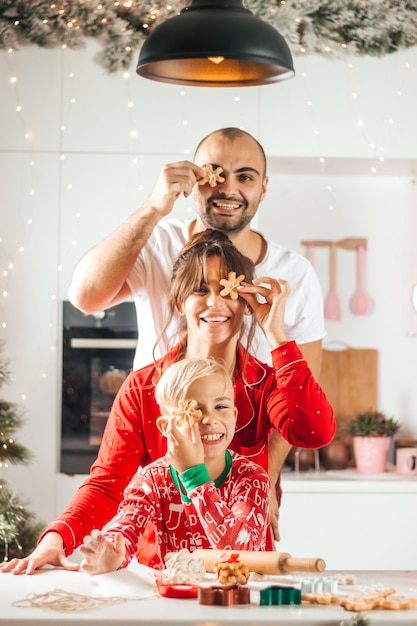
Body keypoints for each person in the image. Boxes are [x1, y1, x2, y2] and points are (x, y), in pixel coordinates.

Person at [0, 230, 335, 575]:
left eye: (228, 290)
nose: (215, 303)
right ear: (179, 302)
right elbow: (107, 484)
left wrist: (277, 335)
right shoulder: (144, 388)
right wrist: (57, 539)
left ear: (245, 302)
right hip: (161, 578)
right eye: (200, 289)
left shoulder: (264, 385)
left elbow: (315, 432)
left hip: (242, 576)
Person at [67, 127, 324, 377]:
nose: (228, 189)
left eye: (245, 177)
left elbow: (305, 393)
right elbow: (86, 298)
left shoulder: (296, 274)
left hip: (252, 420)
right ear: (194, 177)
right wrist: (153, 208)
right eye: (215, 174)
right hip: (156, 416)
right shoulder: (159, 243)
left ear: (263, 188)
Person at [79, 357, 271, 575]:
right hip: (170, 601)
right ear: (165, 426)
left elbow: (240, 552)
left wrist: (195, 477)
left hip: (232, 602)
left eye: (221, 406)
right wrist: (112, 554)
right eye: (193, 409)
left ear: (234, 416)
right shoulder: (151, 480)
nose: (210, 419)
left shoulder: (251, 478)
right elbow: (127, 527)